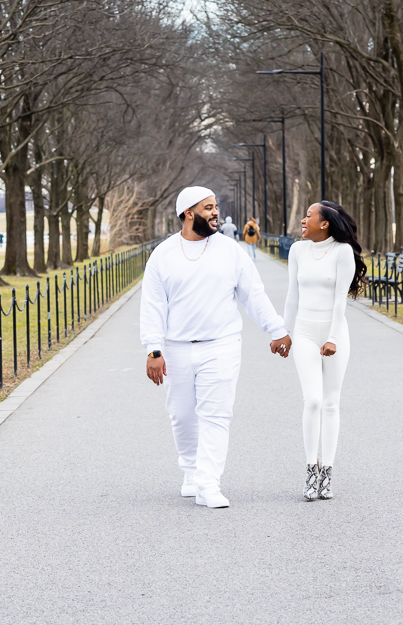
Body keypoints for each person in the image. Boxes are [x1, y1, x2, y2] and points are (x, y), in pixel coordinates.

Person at [140, 186, 293, 509]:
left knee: (216, 414)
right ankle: (191, 472)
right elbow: (152, 305)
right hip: (176, 347)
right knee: (181, 415)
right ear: (187, 213)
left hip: (221, 345)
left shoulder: (230, 250)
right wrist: (154, 350)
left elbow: (253, 294)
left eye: (215, 206)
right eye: (207, 207)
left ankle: (209, 484)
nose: (215, 212)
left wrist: (277, 329)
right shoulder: (163, 255)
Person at [283, 201, 366, 501]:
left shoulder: (342, 252)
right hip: (304, 332)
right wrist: (284, 332)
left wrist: (332, 338)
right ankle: (310, 468)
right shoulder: (297, 251)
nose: (303, 220)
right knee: (313, 400)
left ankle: (327, 472)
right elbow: (292, 294)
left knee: (331, 403)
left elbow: (339, 301)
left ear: (325, 223)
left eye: (308, 216)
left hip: (334, 334)